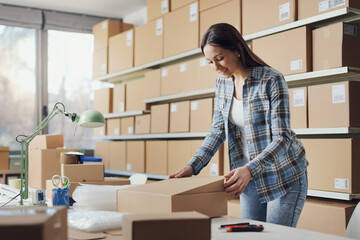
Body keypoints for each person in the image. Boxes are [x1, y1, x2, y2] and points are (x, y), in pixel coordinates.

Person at [169, 23, 308, 227]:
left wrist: (249, 169)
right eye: (209, 62)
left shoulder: (271, 79)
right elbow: (218, 130)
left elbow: (282, 138)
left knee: (276, 237)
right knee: (251, 235)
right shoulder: (222, 83)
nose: (216, 67)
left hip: (283, 175)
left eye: (220, 58)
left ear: (237, 50)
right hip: (247, 177)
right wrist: (193, 166)